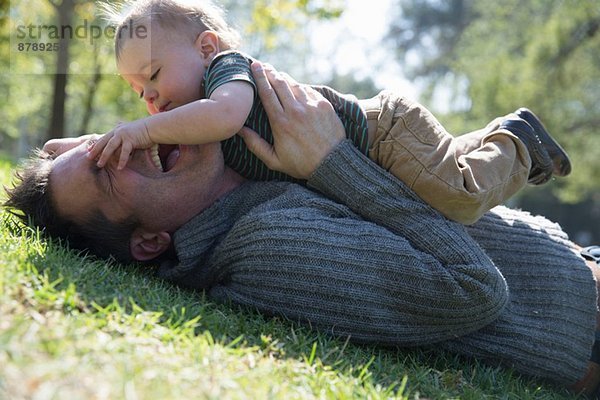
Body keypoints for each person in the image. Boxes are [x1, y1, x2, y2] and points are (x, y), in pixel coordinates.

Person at [4, 62, 600, 397]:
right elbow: (473, 289)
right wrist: (332, 163)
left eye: (109, 140)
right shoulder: (264, 248)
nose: (126, 148)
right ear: (149, 242)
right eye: (108, 174)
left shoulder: (239, 159)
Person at [86, 0, 570, 225]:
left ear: (206, 47)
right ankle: (485, 140)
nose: (147, 97)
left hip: (383, 133)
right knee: (437, 178)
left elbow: (227, 116)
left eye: (152, 74)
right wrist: (89, 147)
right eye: (135, 90)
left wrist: (143, 130)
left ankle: (517, 141)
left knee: (459, 200)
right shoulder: (191, 113)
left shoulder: (225, 75)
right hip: (374, 155)